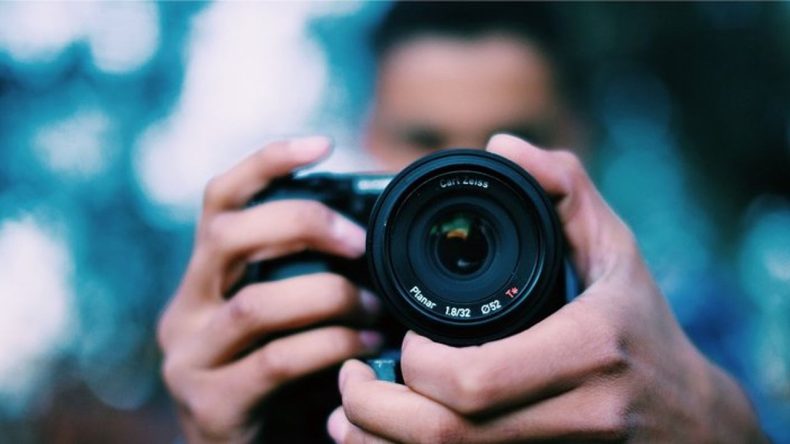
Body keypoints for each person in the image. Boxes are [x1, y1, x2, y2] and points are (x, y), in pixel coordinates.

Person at [157, 3, 767, 442]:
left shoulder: (671, 334)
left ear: (583, 138)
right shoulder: (312, 319)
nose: (469, 178)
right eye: (423, 140)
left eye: (516, 139)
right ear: (368, 139)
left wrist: (711, 420)